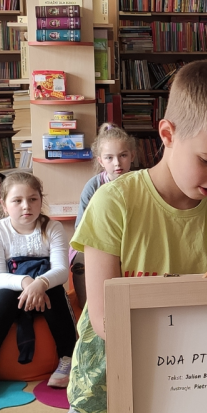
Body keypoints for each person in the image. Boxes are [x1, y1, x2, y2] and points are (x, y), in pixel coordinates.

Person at [67, 60, 207, 413]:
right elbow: (105, 320)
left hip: (194, 386)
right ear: (167, 134)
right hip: (107, 387)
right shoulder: (113, 203)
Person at [0, 172, 77, 396]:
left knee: (56, 292)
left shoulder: (53, 228)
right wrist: (27, 281)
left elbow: (60, 271)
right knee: (6, 294)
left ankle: (68, 358)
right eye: (17, 201)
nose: (26, 206)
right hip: (10, 293)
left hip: (45, 291)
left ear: (41, 199)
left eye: (33, 199)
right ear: (4, 204)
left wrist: (41, 283)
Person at [71, 123, 136, 307]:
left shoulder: (140, 182)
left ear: (132, 155)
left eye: (123, 155)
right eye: (109, 158)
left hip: (131, 242)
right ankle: (90, 310)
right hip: (97, 244)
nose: (117, 163)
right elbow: (80, 228)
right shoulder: (93, 186)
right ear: (101, 161)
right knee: (81, 264)